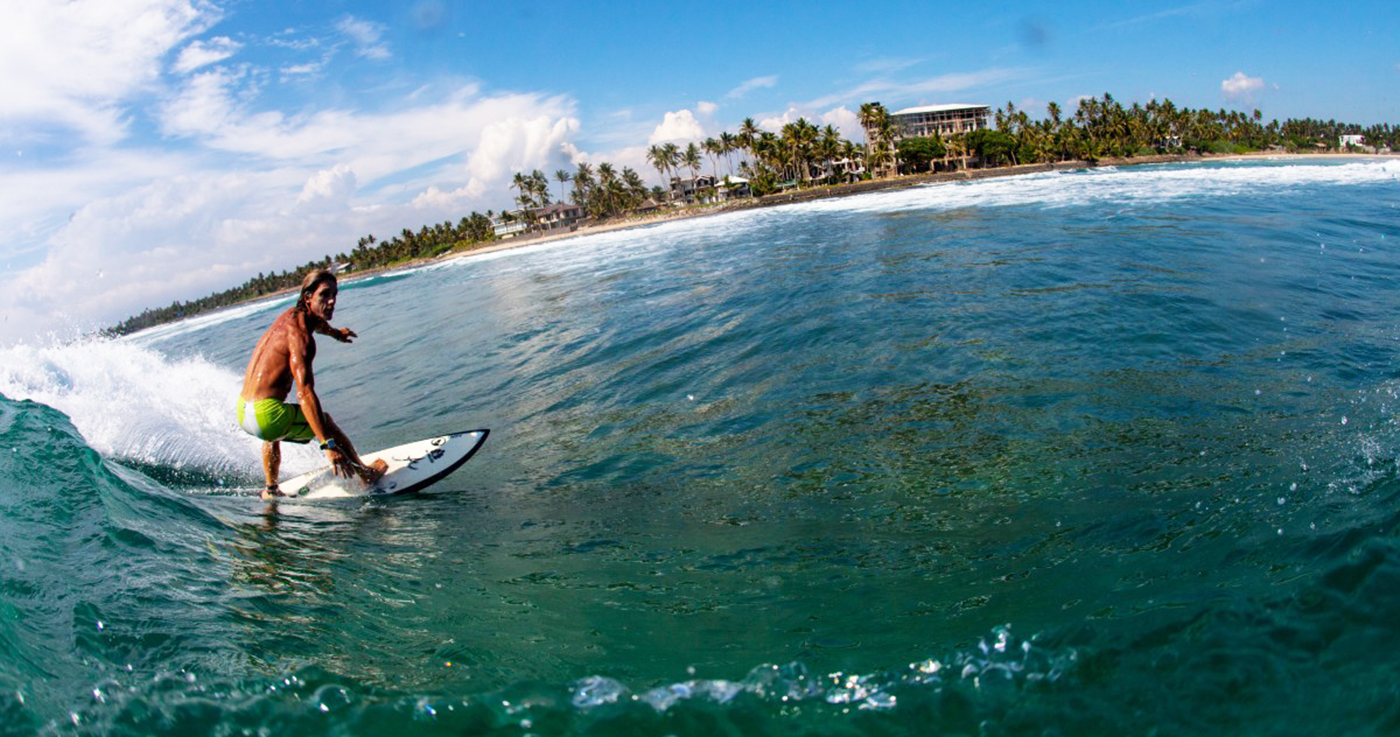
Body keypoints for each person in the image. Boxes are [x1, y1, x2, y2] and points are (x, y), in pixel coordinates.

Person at [236, 269, 387, 499]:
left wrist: (336, 334)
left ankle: (271, 490)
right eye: (325, 295)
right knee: (325, 422)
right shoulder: (301, 339)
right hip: (267, 417)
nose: (332, 300)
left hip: (245, 412)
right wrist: (328, 444)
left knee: (272, 434)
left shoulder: (290, 317)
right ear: (308, 297)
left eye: (335, 294)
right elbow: (304, 393)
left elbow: (316, 323)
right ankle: (364, 474)